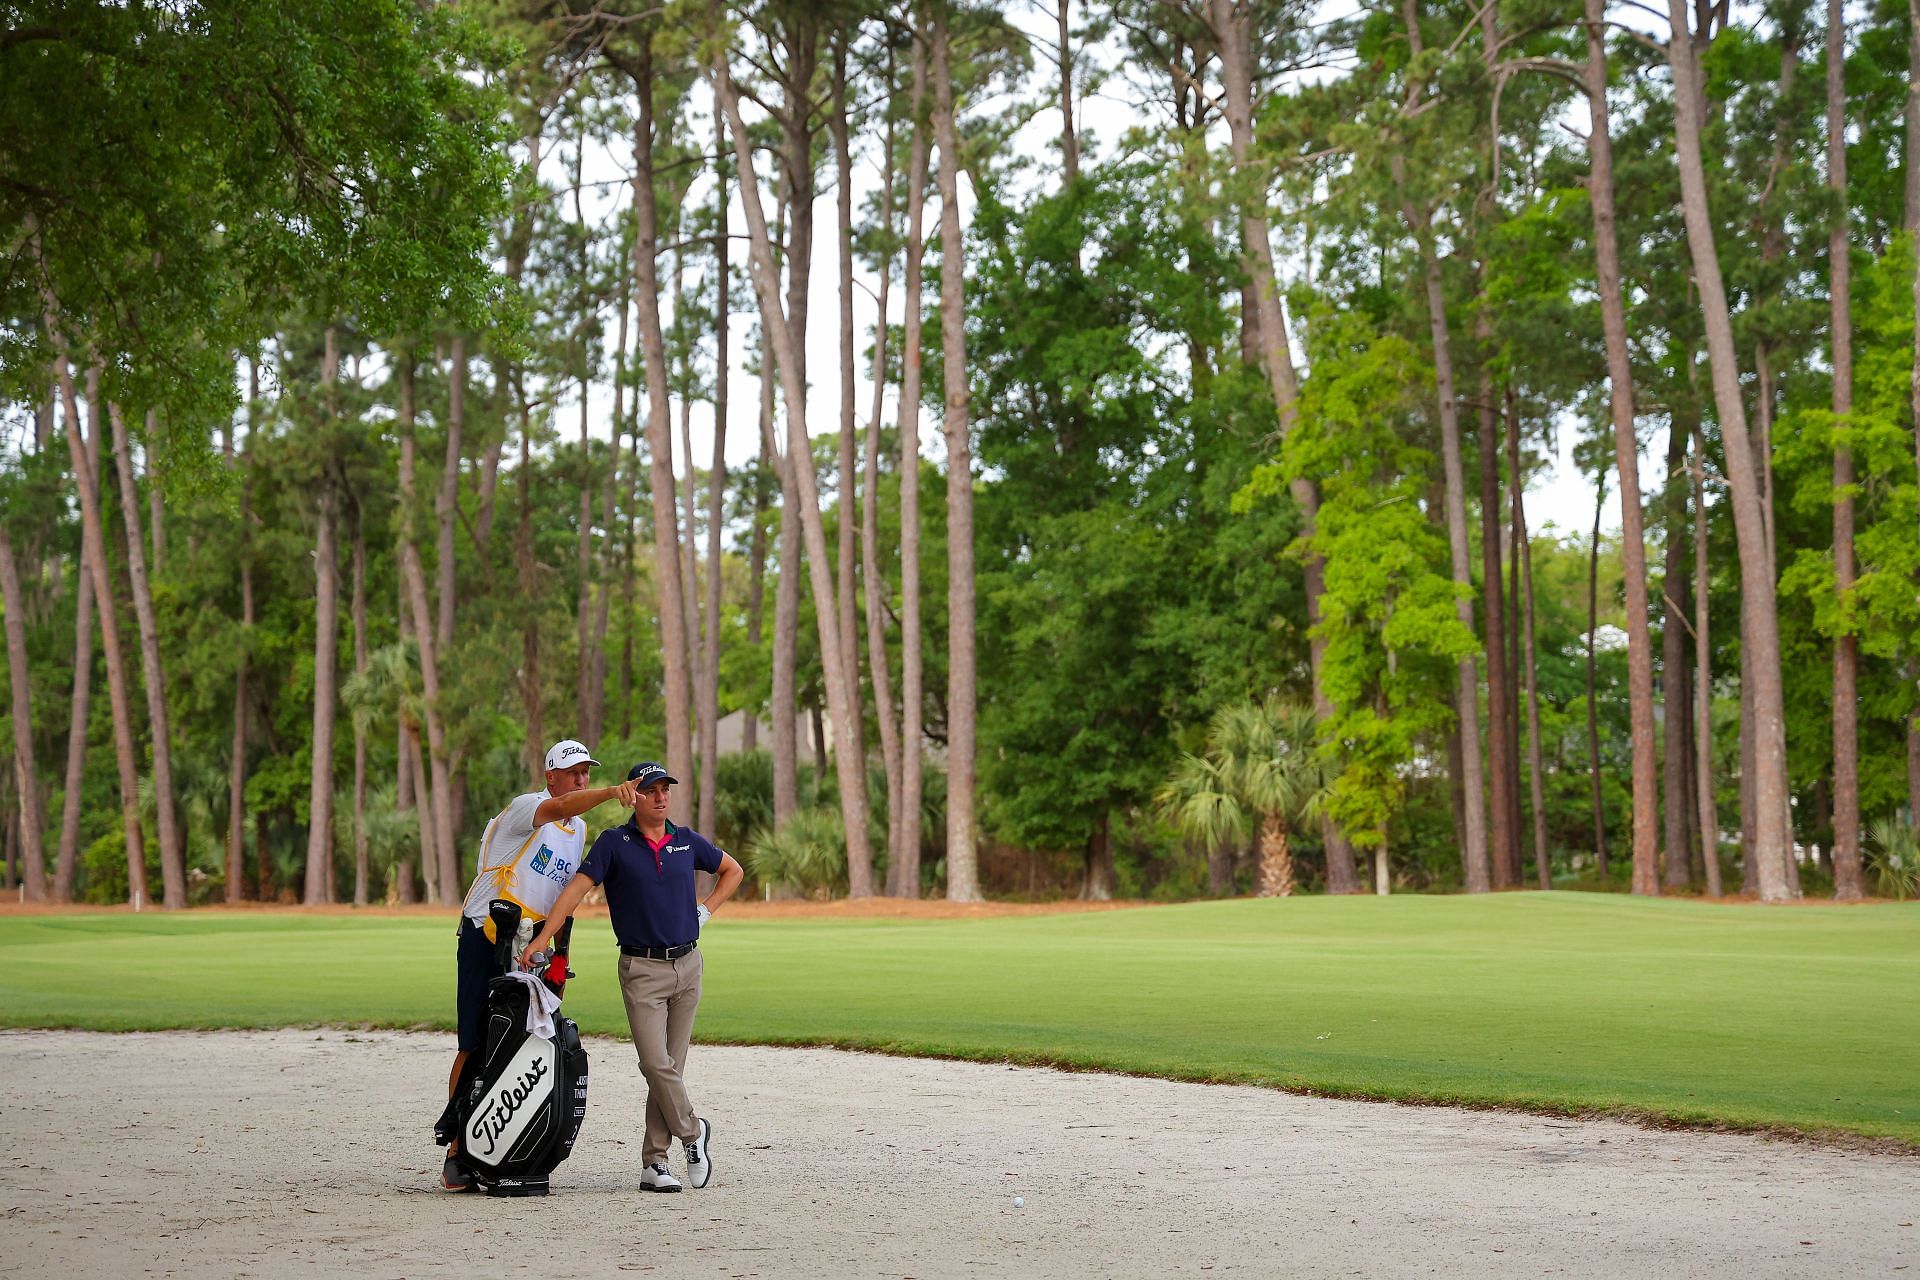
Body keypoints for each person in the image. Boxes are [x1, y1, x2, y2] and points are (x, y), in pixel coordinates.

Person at [521, 760, 743, 1193]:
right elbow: (575, 890)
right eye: (651, 790)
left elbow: (732, 871)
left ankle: (654, 1164)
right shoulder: (614, 843)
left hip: (688, 966)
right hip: (641, 969)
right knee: (655, 1064)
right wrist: (544, 937)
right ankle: (694, 1134)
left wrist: (705, 910)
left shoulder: (686, 841)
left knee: (671, 1068)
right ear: (634, 796)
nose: (661, 797)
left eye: (666, 789)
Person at [441, 738, 637, 1192]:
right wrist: (611, 792)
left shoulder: (580, 831)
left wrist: (557, 950)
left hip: (533, 946)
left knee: (525, 1043)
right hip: (485, 934)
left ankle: (505, 1143)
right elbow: (564, 805)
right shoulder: (529, 807)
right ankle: (455, 1148)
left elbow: (563, 898)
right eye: (573, 772)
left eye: (587, 771)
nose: (581, 779)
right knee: (474, 1040)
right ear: (551, 776)